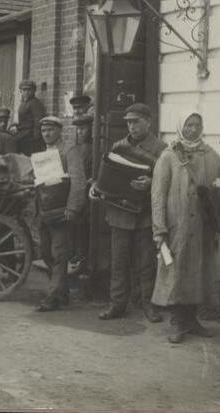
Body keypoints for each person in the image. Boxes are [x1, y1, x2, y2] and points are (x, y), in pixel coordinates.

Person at [151, 111, 220, 343]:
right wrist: (159, 229)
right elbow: (158, 195)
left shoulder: (211, 155)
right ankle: (178, 322)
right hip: (176, 226)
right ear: (181, 126)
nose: (193, 129)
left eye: (197, 125)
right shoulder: (169, 156)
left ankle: (192, 320)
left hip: (203, 226)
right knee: (176, 272)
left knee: (199, 271)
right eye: (188, 125)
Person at [96, 103, 166, 323]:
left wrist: (151, 181)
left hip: (145, 214)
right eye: (128, 121)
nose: (131, 126)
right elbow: (106, 173)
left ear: (148, 121)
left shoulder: (161, 149)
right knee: (118, 261)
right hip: (119, 212)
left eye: (136, 121)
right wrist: (97, 186)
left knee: (146, 263)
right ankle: (117, 304)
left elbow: (169, 182)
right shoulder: (118, 146)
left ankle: (149, 304)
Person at [35, 116, 86, 312]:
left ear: (59, 131)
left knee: (58, 255)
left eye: (50, 130)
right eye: (43, 131)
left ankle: (53, 297)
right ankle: (62, 291)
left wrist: (73, 208)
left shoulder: (69, 151)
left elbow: (78, 181)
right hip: (45, 210)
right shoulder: (43, 154)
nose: (46, 134)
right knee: (47, 253)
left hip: (61, 211)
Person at [68, 113, 94, 275]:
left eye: (83, 129)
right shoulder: (77, 148)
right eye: (78, 129)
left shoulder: (94, 147)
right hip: (78, 192)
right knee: (77, 227)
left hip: (89, 194)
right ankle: (78, 257)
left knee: (86, 227)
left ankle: (85, 261)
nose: (80, 132)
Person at [13, 80, 46, 156]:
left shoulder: (35, 103)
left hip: (30, 136)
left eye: (29, 90)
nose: (26, 92)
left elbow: (38, 122)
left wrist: (35, 139)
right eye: (24, 90)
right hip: (23, 132)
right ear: (21, 91)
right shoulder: (24, 103)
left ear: (34, 91)